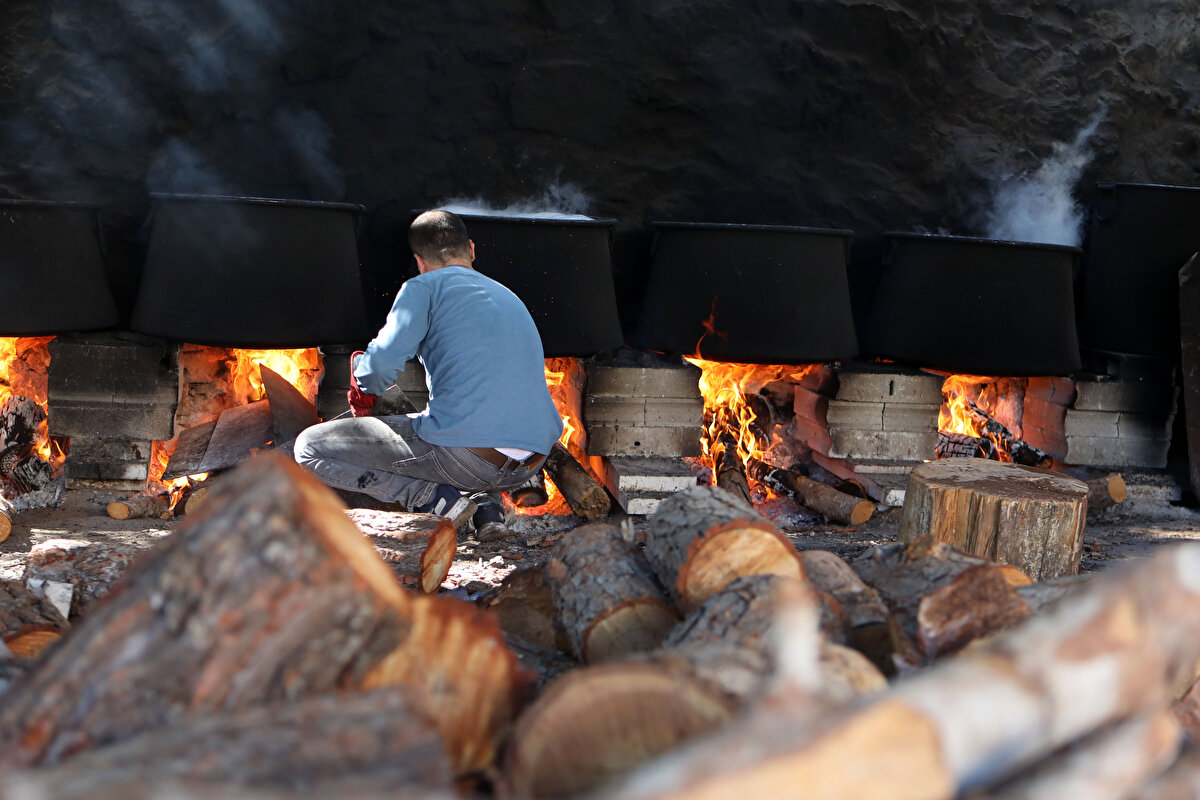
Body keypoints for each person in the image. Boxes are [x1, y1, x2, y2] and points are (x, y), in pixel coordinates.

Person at [295, 209, 563, 538]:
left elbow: (378, 370)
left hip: (467, 456)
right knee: (443, 426)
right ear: (472, 250)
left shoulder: (423, 288)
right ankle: (486, 509)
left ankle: (434, 501)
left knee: (308, 447)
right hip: (533, 461)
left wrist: (362, 381)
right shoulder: (508, 296)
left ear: (420, 261)